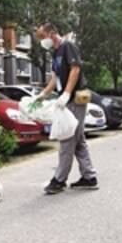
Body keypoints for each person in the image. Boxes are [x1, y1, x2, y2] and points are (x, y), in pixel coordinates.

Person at [35, 22, 98, 195]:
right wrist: (43, 94)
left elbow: (75, 69)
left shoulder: (67, 46)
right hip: (67, 101)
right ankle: (89, 176)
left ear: (52, 33)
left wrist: (66, 93)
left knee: (67, 139)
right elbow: (55, 77)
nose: (41, 41)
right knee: (78, 140)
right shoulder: (55, 53)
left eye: (42, 37)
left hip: (74, 100)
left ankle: (59, 180)